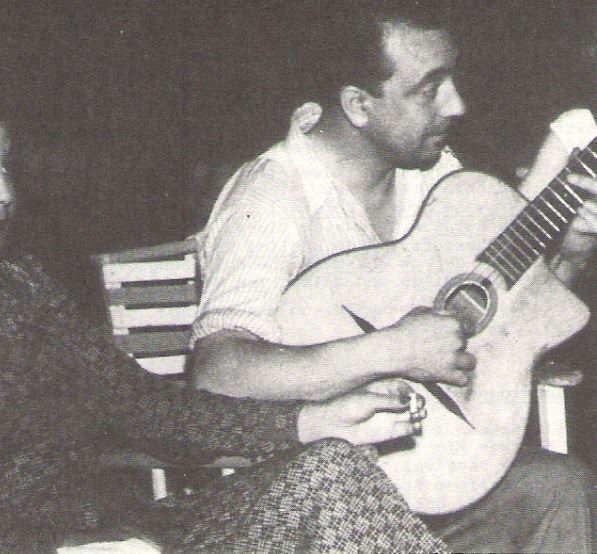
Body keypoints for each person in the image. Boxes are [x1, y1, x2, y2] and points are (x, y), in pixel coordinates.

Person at [0, 81, 452, 552]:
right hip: (41, 549)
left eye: (6, 168)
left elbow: (141, 405)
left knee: (330, 469)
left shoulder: (18, 282)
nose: (4, 192)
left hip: (127, 533)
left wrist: (307, 421)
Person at [191, 2, 596, 552]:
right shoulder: (271, 201)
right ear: (358, 105)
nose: (457, 104)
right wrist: (393, 350)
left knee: (560, 489)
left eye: (452, 80)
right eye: (430, 89)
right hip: (322, 503)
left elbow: (506, 320)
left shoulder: (437, 175)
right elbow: (216, 375)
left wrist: (572, 252)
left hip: (430, 474)